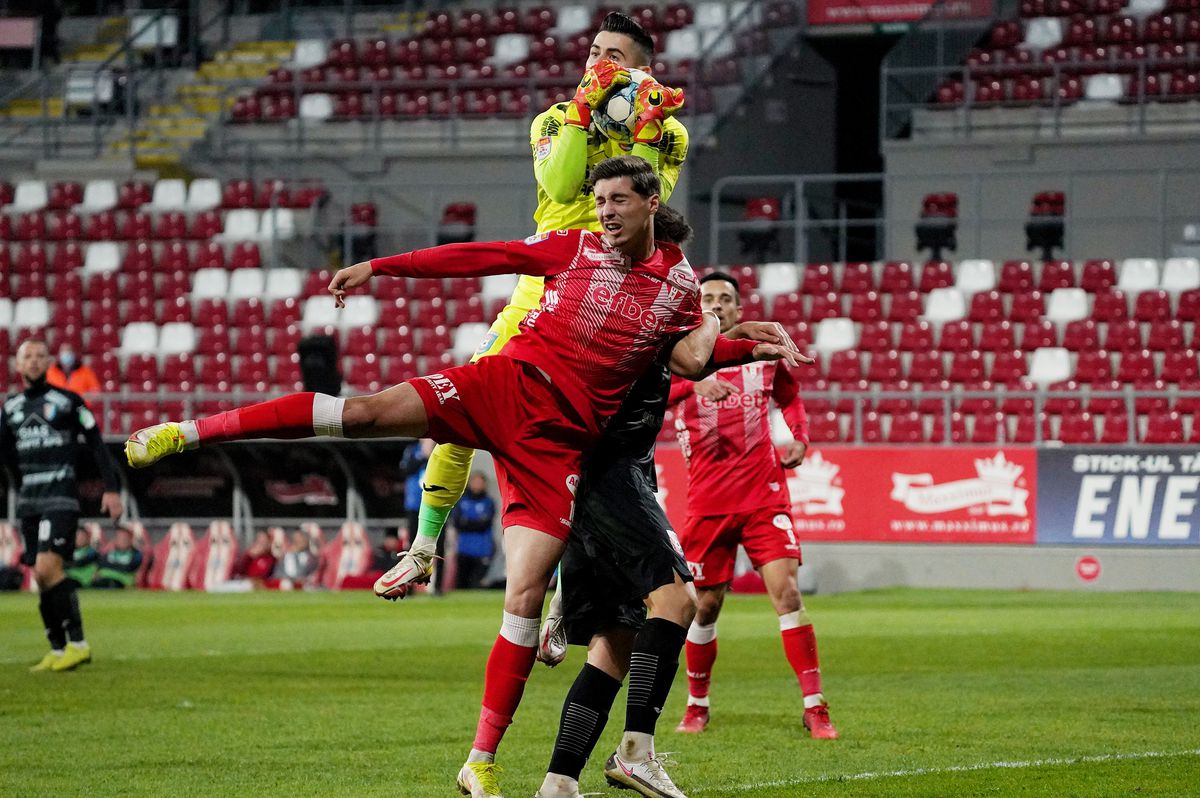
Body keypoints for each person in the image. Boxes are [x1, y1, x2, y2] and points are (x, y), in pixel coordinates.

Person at [124, 158, 803, 798]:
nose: (605, 213)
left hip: (557, 446)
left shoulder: (680, 284)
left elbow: (686, 360)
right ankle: (187, 432)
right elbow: (486, 257)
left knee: (526, 599)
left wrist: (747, 343)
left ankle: (480, 762)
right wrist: (380, 267)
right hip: (503, 386)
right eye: (598, 201)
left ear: (653, 202)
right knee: (362, 414)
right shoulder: (573, 247)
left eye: (618, 200)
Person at [399, 11, 689, 612]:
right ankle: (425, 544)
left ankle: (569, 592)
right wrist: (586, 108)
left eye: (614, 56)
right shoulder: (556, 118)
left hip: (624, 298)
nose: (598, 63)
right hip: (548, 289)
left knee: (599, 456)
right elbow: (560, 189)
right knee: (459, 409)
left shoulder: (670, 133)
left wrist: (641, 128)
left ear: (643, 70)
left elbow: (649, 204)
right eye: (593, 53)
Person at [532, 208, 809, 798]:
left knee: (614, 643)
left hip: (588, 479)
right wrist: (733, 334)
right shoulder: (643, 309)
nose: (680, 280)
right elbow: (683, 357)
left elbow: (684, 354)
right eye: (678, 271)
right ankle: (637, 750)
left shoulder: (615, 303)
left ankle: (558, 781)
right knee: (679, 602)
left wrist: (744, 341)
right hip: (614, 477)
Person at [667, 272, 839, 740]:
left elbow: (791, 396)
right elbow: (647, 392)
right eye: (708, 299)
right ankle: (696, 705)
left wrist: (801, 439)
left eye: (726, 300)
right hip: (707, 503)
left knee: (787, 594)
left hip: (764, 496)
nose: (717, 306)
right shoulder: (678, 359)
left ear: (740, 312)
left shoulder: (760, 358)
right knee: (704, 607)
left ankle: (815, 707)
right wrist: (692, 385)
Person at [0, 339, 123, 673]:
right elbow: (6, 455)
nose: (35, 362)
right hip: (30, 500)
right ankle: (56, 648)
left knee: (47, 569)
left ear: (50, 362)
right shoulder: (10, 408)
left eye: (41, 356)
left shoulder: (68, 401)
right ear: (18, 365)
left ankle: (78, 644)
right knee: (40, 577)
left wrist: (112, 489)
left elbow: (97, 445)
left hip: (61, 497)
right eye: (28, 357)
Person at [450, 472, 497, 590]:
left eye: (480, 482)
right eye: (475, 482)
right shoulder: (461, 501)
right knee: (461, 584)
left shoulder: (489, 502)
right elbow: (457, 523)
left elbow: (485, 524)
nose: (477, 485)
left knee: (476, 584)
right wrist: (475, 523)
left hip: (482, 549)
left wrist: (467, 522)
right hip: (464, 548)